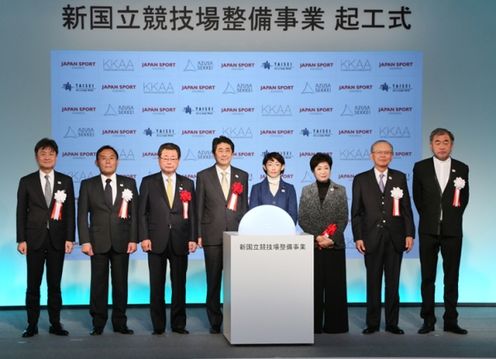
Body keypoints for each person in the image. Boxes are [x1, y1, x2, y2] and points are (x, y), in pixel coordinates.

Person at [351, 140, 414, 335]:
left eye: (387, 152)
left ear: (392, 156)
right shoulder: (361, 179)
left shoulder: (400, 177)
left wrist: (409, 234)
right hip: (371, 238)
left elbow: (406, 210)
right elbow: (356, 212)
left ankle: (392, 323)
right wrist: (358, 237)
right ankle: (372, 323)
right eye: (379, 152)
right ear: (372, 155)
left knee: (393, 283)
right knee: (373, 281)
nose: (383, 155)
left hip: (396, 238)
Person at [16, 138, 75, 337]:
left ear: (56, 157)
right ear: (36, 157)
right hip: (34, 240)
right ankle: (31, 324)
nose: (47, 157)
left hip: (58, 240)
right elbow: (20, 212)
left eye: (51, 153)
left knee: (55, 285)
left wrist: (70, 238)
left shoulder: (65, 180)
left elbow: (70, 212)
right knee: (33, 285)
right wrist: (21, 239)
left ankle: (55, 323)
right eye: (43, 153)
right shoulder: (27, 181)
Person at [413, 128, 469, 335]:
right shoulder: (421, 167)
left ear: (451, 145)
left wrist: (450, 220)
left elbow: (463, 200)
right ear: (431, 145)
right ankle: (428, 320)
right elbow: (417, 198)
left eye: (446, 141)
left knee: (451, 277)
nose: (442, 145)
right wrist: (431, 218)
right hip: (428, 230)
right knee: (428, 277)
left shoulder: (462, 168)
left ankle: (451, 321)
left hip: (453, 231)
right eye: (438, 142)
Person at [78, 145, 138, 335]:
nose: (108, 161)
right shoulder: (88, 184)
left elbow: (135, 215)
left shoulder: (129, 183)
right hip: (97, 242)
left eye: (111, 158)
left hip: (122, 241)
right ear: (97, 162)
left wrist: (134, 239)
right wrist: (85, 241)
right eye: (103, 158)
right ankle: (98, 323)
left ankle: (120, 323)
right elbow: (82, 216)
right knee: (98, 283)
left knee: (121, 284)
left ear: (117, 161)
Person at [139, 143, 197, 335]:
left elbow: (193, 214)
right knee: (156, 285)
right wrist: (144, 237)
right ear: (159, 159)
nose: (169, 161)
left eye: (173, 158)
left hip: (180, 240)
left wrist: (192, 238)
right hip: (155, 240)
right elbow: (142, 213)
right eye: (165, 157)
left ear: (179, 160)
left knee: (179, 285)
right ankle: (158, 325)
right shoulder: (148, 182)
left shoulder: (188, 183)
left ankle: (179, 324)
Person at [196, 136, 249, 334]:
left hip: (236, 235)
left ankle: (236, 318)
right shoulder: (203, 175)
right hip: (211, 235)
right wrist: (199, 234)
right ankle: (215, 321)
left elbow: (244, 207)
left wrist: (245, 232)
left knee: (237, 280)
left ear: (233, 153)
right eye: (220, 150)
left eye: (228, 150)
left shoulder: (242, 175)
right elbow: (199, 207)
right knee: (214, 280)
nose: (224, 153)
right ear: (213, 153)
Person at [298, 153, 349, 334]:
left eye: (326, 168)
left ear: (330, 169)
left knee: (335, 287)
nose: (323, 171)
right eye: (319, 168)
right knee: (314, 286)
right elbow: (302, 218)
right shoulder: (306, 190)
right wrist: (317, 237)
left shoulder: (341, 189)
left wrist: (330, 239)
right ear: (313, 171)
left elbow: (343, 218)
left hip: (334, 245)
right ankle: (313, 325)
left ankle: (336, 326)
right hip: (313, 246)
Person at [249, 152, 297, 224]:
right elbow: (253, 214)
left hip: (284, 232)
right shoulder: (256, 188)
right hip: (261, 231)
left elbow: (293, 214)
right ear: (264, 167)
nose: (273, 168)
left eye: (277, 164)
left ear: (282, 167)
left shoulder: (290, 188)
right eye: (270, 164)